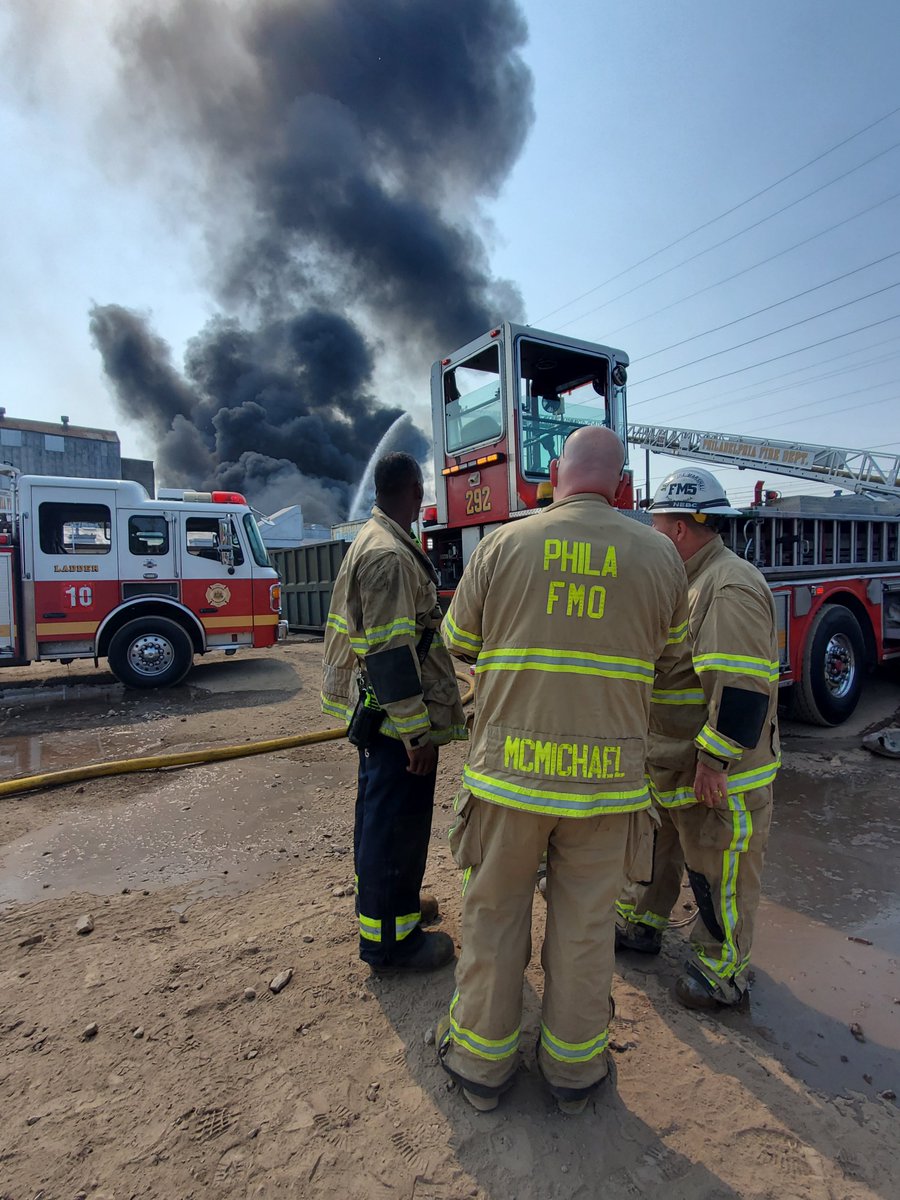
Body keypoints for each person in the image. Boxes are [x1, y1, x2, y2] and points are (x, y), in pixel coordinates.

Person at [436, 427, 689, 1114]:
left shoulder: (503, 544)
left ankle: (481, 1071)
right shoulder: (661, 557)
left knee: (494, 916)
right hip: (607, 789)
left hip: (508, 782)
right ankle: (575, 1077)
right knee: (583, 929)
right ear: (626, 487)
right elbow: (673, 667)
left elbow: (458, 641)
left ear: (553, 476)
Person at [615, 467, 780, 1012]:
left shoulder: (726, 585)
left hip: (718, 774)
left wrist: (714, 760)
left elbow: (742, 688)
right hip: (673, 762)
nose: (653, 533)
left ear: (681, 530)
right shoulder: (688, 581)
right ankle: (643, 923)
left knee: (718, 867)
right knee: (659, 850)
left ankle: (722, 970)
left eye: (657, 524)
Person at [321, 452, 467, 973]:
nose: (424, 498)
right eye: (422, 489)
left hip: (384, 719)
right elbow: (389, 652)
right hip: (395, 725)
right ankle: (389, 943)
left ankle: (395, 909)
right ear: (410, 488)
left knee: (387, 822)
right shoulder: (389, 556)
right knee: (393, 827)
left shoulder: (378, 538)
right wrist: (415, 735)